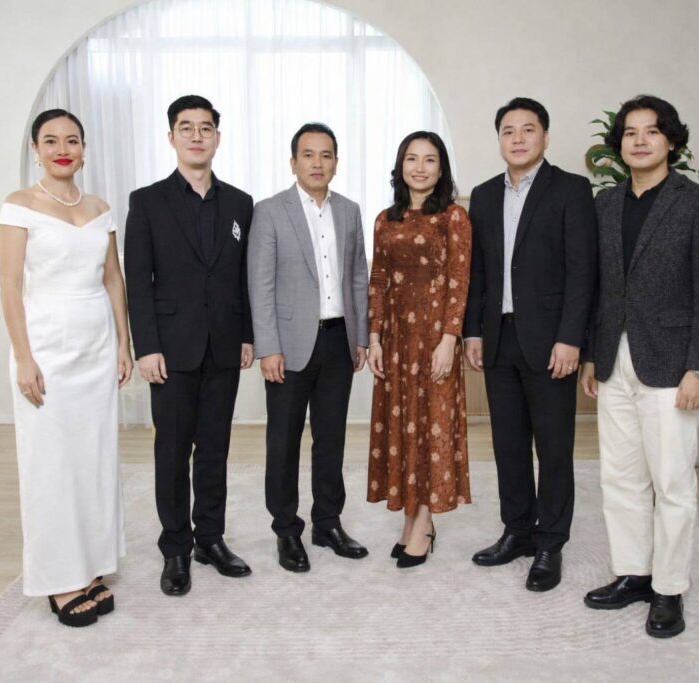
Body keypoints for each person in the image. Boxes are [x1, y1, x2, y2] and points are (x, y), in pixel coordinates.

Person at [581, 95, 699, 638]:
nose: (640, 140)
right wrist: (592, 354)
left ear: (671, 140)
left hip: (673, 362)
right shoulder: (604, 204)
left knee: (671, 481)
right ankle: (633, 573)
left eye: (651, 131)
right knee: (619, 476)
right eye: (630, 132)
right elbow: (597, 287)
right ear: (618, 144)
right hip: (612, 358)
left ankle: (669, 588)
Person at [0, 109, 131, 627]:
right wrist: (24, 357)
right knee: (50, 463)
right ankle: (59, 578)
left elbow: (113, 279)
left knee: (94, 459)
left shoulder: (99, 208)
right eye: (50, 140)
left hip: (96, 345)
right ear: (36, 150)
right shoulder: (19, 206)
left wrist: (123, 343)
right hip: (47, 345)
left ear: (83, 150)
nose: (62, 149)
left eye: (72, 140)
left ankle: (90, 566)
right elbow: (9, 286)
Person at [463, 97, 597, 591]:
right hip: (498, 339)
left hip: (551, 343)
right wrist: (473, 331)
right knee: (508, 444)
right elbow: (477, 272)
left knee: (554, 448)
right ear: (498, 139)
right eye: (508, 131)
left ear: (545, 136)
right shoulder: (482, 195)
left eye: (528, 129)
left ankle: (550, 543)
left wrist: (571, 339)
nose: (517, 138)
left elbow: (583, 272)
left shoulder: (571, 189)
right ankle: (517, 531)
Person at [124, 95, 255, 596]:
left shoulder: (240, 203)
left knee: (215, 450)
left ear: (217, 137)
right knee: (173, 451)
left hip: (223, 346)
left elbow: (244, 277)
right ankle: (175, 548)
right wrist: (146, 346)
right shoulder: (147, 201)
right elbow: (139, 281)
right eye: (186, 127)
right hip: (170, 350)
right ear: (171, 137)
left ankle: (210, 540)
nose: (197, 136)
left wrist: (247, 335)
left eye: (205, 128)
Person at [247, 123, 369, 572]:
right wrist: (268, 347)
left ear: (336, 162)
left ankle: (327, 523)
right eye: (308, 154)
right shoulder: (270, 211)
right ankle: (286, 530)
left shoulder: (350, 211)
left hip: (338, 340)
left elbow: (358, 276)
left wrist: (361, 336)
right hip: (289, 344)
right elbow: (260, 285)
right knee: (283, 442)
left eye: (326, 155)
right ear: (293, 162)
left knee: (331, 438)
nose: (318, 163)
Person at [367, 131, 472, 568]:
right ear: (401, 166)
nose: (420, 168)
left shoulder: (453, 217)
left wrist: (449, 339)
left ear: (441, 168)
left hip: (434, 340)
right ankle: (410, 516)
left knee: (431, 428)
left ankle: (425, 523)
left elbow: (460, 280)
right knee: (402, 428)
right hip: (395, 341)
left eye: (430, 160)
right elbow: (378, 280)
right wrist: (374, 337)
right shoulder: (384, 219)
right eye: (412, 159)